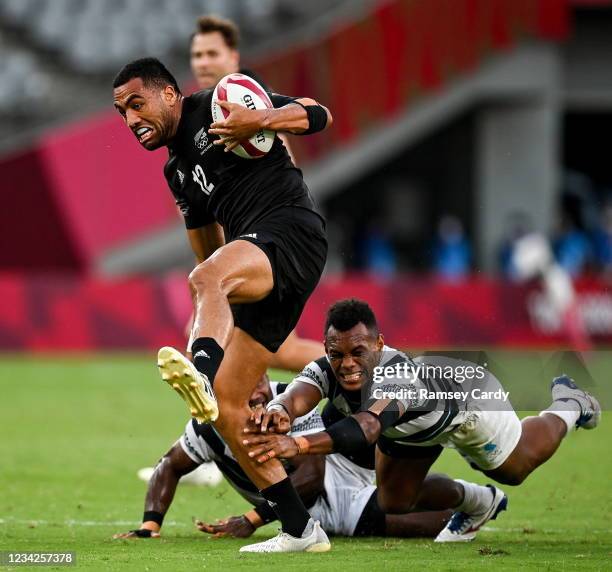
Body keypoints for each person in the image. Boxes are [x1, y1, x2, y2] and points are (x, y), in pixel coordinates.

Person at [112, 58, 332, 552]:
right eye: (122, 112)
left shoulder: (221, 101)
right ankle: (301, 530)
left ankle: (202, 370)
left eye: (136, 103)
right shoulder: (176, 172)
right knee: (228, 411)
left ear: (169, 94)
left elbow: (318, 115)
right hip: (255, 263)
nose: (130, 120)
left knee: (207, 281)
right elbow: (206, 250)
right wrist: (214, 298)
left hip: (291, 230)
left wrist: (263, 121)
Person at [244, 298, 601, 542]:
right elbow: (294, 396)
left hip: (465, 404)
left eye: (358, 352)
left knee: (513, 470)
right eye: (337, 354)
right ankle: (479, 503)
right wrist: (278, 414)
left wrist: (298, 443)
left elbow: (367, 427)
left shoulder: (397, 376)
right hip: (409, 430)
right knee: (393, 502)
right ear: (327, 349)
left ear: (379, 345)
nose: (348, 363)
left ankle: (568, 405)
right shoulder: (326, 367)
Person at [113, 374, 453, 541]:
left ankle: (474, 500)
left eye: (259, 377)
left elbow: (311, 480)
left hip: (336, 477)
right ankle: (478, 502)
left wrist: (250, 519)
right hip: (307, 505)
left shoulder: (289, 402)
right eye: (245, 384)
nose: (259, 389)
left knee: (398, 509)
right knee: (392, 511)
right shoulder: (210, 427)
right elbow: (169, 466)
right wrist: (150, 525)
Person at [187, 14, 322, 371]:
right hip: (249, 235)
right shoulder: (201, 113)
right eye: (197, 55)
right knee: (276, 350)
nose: (202, 62)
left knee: (224, 338)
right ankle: (387, 371)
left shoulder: (246, 92)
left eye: (211, 53)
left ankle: (386, 372)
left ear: (233, 57)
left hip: (276, 230)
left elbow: (292, 134)